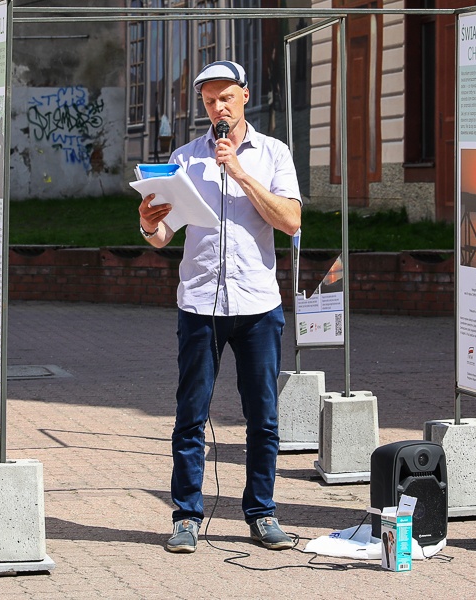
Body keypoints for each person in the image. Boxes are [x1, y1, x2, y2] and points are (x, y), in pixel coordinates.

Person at [137, 60, 302, 554]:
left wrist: (240, 172)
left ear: (245, 96)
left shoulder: (273, 154)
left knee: (263, 418)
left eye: (225, 98)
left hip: (256, 304)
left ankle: (261, 512)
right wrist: (148, 221)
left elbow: (291, 220)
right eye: (209, 101)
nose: (218, 109)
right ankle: (186, 516)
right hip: (200, 303)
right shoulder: (185, 158)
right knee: (190, 415)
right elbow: (164, 237)